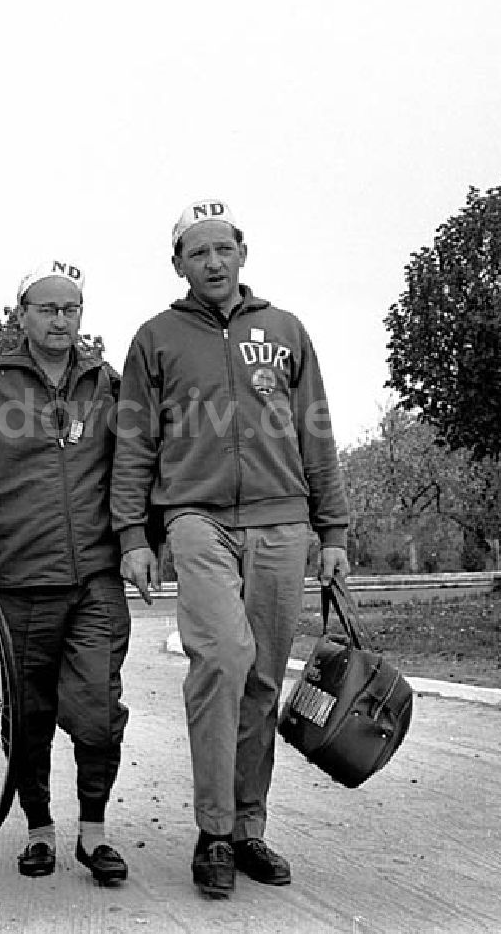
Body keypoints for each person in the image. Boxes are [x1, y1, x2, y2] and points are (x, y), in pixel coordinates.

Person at [111, 199, 350, 898]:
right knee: (220, 657)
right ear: (178, 263)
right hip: (194, 516)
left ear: (242, 251)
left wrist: (332, 532)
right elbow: (134, 444)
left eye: (223, 248)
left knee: (263, 677)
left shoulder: (286, 330)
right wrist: (134, 535)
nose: (212, 262)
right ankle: (212, 830)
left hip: (282, 520)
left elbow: (318, 434)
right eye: (197, 252)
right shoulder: (155, 339)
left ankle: (249, 827)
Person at [0, 259, 131, 885]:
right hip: (16, 583)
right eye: (48, 308)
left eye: (71, 309)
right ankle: (39, 829)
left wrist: (146, 539)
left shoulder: (108, 386)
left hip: (96, 577)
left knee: (96, 709)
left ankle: (93, 833)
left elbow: (139, 467)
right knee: (29, 716)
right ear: (22, 315)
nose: (61, 319)